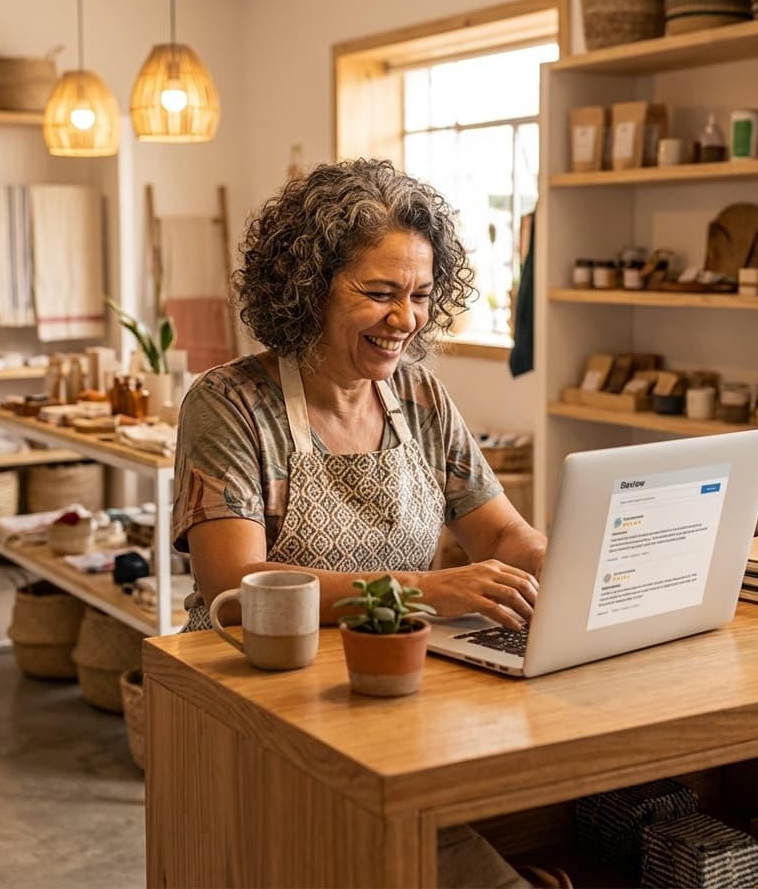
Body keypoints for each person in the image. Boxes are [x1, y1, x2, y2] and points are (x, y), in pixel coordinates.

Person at [172, 157, 546, 633]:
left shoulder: (419, 397)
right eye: (380, 293)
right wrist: (423, 591)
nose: (406, 319)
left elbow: (499, 533)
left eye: (420, 296)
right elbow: (236, 587)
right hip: (249, 674)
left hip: (385, 668)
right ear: (309, 289)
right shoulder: (229, 402)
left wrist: (547, 560)